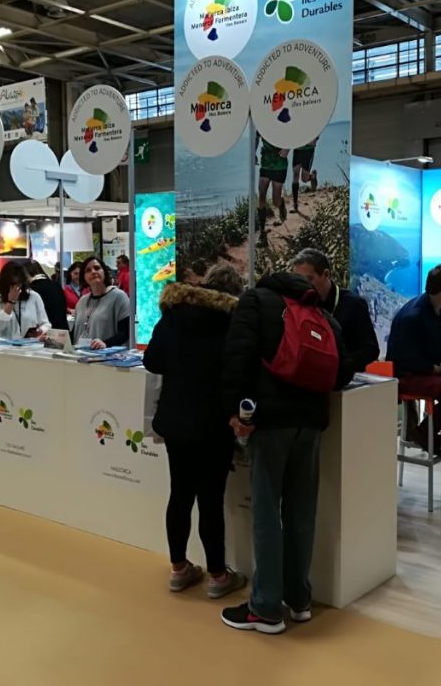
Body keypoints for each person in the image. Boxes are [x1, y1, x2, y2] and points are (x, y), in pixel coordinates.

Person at [218, 271, 354, 634]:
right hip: (310, 423)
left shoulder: (255, 302)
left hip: (269, 422)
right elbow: (343, 370)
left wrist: (235, 411)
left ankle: (265, 608)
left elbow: (236, 358)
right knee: (301, 511)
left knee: (266, 511)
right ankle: (299, 600)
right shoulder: (320, 313)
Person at [143, 263, 247, 600]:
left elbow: (152, 361)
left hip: (175, 420)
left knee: (180, 494)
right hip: (213, 424)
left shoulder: (174, 314)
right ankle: (217, 575)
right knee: (211, 500)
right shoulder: (232, 322)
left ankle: (178, 569)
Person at [386, 264, 441, 454]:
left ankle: (433, 432)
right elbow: (407, 359)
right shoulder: (412, 317)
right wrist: (439, 369)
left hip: (429, 369)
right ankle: (424, 432)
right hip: (407, 375)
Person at [291, 248, 379, 372]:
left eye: (309, 279)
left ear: (326, 274)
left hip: (346, 381)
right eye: (298, 280)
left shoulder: (353, 304)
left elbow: (370, 349)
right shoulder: (300, 304)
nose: (303, 285)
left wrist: (341, 366)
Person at [71, 256, 129, 348]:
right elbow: (75, 332)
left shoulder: (119, 296)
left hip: (108, 358)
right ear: (84, 277)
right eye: (88, 270)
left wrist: (106, 343)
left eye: (97, 268)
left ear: (104, 272)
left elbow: (126, 332)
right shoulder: (82, 301)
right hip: (81, 356)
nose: (93, 272)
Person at [0, 263, 51, 339]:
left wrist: (40, 330)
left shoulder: (33, 296)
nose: (16, 287)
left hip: (30, 345)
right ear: (5, 283)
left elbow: (46, 323)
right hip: (5, 346)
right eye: (12, 284)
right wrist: (11, 302)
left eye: (19, 283)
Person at [256, 134, 289, 238]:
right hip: (265, 163)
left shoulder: (281, 118)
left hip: (280, 163)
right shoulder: (260, 120)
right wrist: (253, 152)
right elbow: (256, 137)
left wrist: (287, 148)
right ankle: (262, 231)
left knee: (276, 202)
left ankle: (281, 204)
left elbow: (293, 132)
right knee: (261, 196)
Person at [24, 260, 69, 331]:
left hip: (45, 333)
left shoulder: (32, 290)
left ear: (26, 274)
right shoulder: (56, 286)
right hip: (63, 332)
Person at [290, 137, 318, 214]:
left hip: (308, 151)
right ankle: (295, 204)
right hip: (297, 150)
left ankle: (312, 176)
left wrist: (313, 139)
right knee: (295, 175)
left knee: (304, 179)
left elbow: (314, 140)